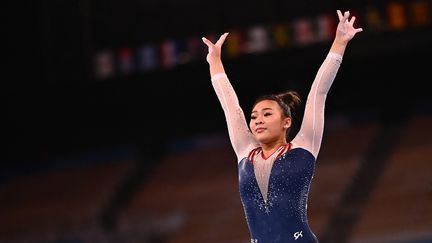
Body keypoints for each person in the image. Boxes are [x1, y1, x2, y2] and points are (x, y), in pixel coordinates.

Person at [201, 10, 363, 243]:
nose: (257, 120)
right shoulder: (246, 152)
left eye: (267, 114)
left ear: (286, 122)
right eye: (254, 116)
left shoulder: (304, 146)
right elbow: (230, 106)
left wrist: (339, 43)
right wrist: (215, 62)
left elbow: (319, 92)